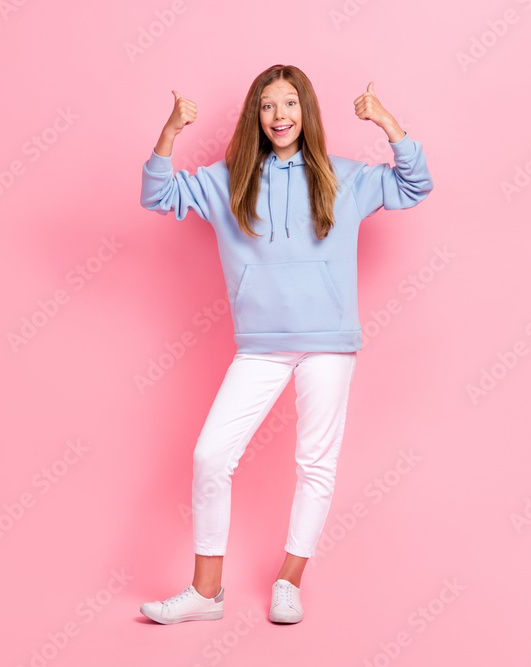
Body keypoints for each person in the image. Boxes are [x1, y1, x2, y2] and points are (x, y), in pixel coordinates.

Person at [138, 64, 433, 624]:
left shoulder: (343, 177)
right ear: (257, 115)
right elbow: (158, 196)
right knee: (210, 456)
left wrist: (386, 121)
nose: (280, 115)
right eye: (269, 105)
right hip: (260, 346)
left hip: (328, 343)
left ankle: (289, 580)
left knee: (315, 464)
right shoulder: (228, 181)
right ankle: (206, 594)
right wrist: (171, 132)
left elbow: (415, 184)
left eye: (291, 103)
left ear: (307, 112)